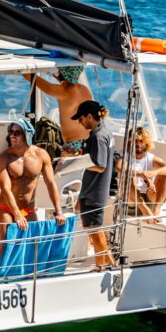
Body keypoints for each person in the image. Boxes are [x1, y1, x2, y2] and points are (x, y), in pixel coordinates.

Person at [0, 118, 66, 266]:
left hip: (28, 209)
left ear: (27, 135)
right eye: (11, 132)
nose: (12, 136)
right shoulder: (4, 157)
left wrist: (58, 211)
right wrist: (17, 214)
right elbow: (5, 189)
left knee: (33, 250)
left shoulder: (41, 155)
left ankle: (26, 281)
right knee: (4, 250)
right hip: (7, 210)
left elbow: (51, 183)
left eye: (17, 133)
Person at [72, 100, 115, 270]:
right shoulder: (105, 133)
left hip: (94, 191)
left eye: (80, 119)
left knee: (95, 231)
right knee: (94, 229)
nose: (79, 122)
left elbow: (100, 165)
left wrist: (75, 162)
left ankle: (100, 267)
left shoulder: (98, 136)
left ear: (89, 116)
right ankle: (110, 263)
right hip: (95, 190)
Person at [23, 66, 92, 155]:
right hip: (87, 142)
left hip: (72, 146)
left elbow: (31, 78)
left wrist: (24, 67)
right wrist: (58, 76)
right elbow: (68, 83)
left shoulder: (64, 92)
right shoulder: (84, 89)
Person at [118, 127, 166, 223]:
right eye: (135, 141)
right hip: (132, 203)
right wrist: (143, 175)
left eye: (141, 141)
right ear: (130, 141)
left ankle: (156, 211)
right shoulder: (124, 156)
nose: (138, 144)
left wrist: (153, 173)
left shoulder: (150, 158)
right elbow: (120, 167)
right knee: (127, 176)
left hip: (149, 200)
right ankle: (146, 212)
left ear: (146, 142)